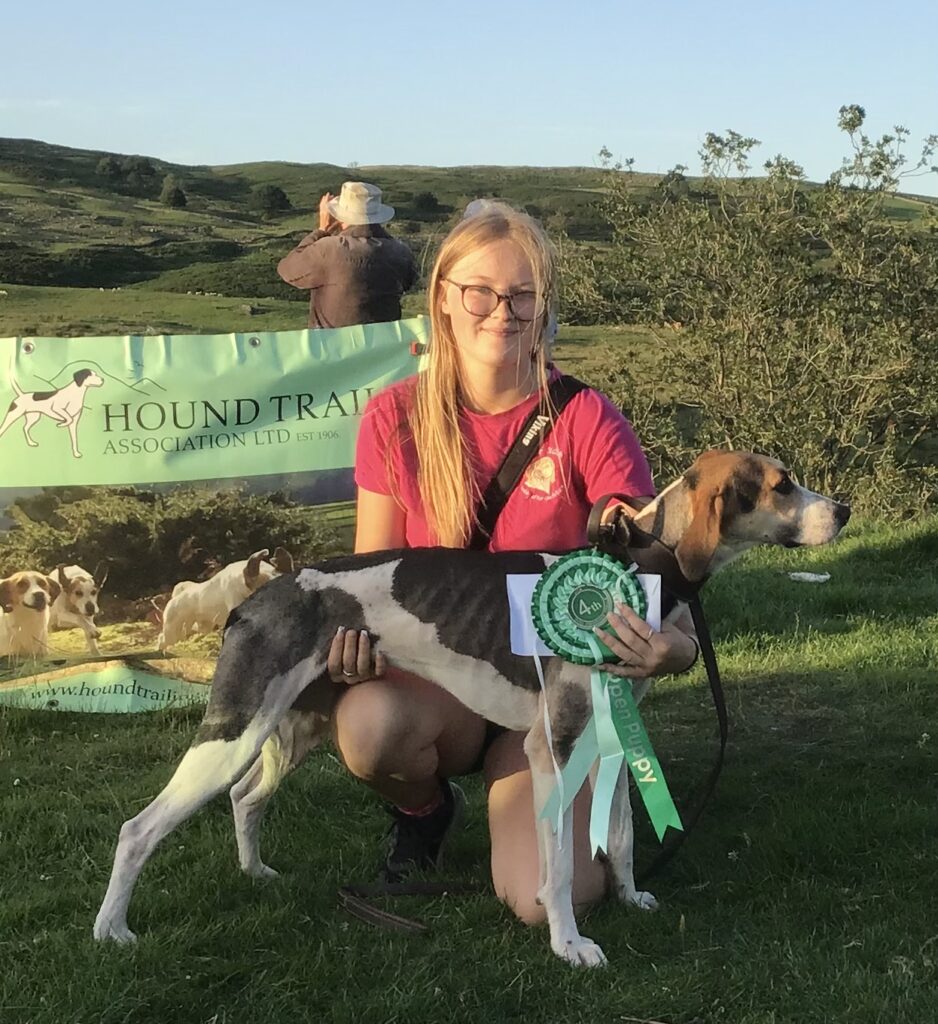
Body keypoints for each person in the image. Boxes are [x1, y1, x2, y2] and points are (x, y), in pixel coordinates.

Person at [326, 202, 699, 924]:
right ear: (442, 297)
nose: (503, 312)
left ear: (544, 306)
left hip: (555, 697)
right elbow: (369, 580)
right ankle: (425, 811)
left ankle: (557, 788)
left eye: (524, 295)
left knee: (545, 900)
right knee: (370, 727)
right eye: (481, 292)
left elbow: (653, 576)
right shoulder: (392, 418)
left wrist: (672, 650)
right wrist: (351, 649)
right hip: (444, 685)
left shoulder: (589, 418)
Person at [277, 181, 418, 329]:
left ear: (340, 215)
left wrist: (321, 230)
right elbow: (409, 282)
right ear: (377, 215)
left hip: (333, 341)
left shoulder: (329, 249)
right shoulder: (401, 252)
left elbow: (288, 270)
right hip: (384, 341)